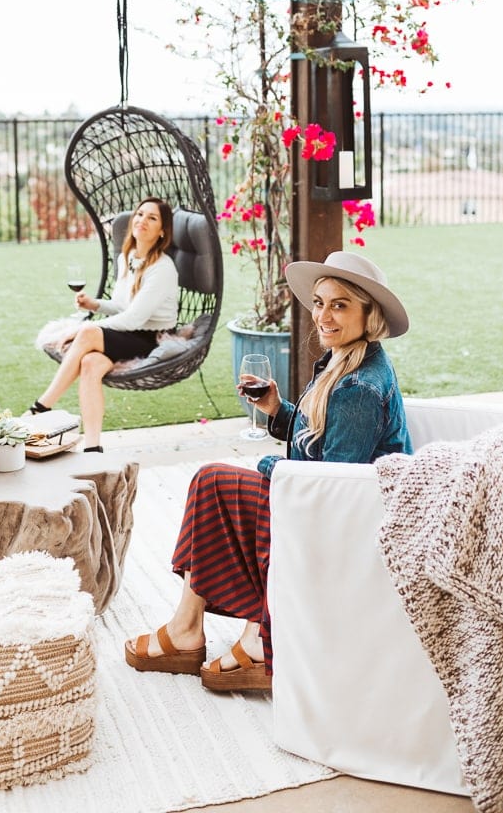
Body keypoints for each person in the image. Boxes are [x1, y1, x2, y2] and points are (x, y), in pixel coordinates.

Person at [124, 251, 411, 692]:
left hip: (352, 524)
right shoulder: (348, 359)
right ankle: (193, 628)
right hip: (328, 502)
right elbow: (321, 439)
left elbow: (332, 485)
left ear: (368, 314)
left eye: (339, 305)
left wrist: (269, 463)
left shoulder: (359, 387)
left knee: (215, 483)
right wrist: (279, 411)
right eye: (319, 302)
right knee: (214, 484)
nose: (323, 316)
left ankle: (251, 638)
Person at [29, 197, 178, 452]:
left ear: (162, 231)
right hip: (129, 333)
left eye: (152, 218)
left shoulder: (162, 268)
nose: (142, 220)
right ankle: (93, 448)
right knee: (89, 363)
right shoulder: (127, 257)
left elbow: (134, 319)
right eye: (140, 214)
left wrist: (79, 329)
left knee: (87, 332)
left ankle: (39, 408)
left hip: (151, 337)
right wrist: (94, 305)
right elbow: (123, 305)